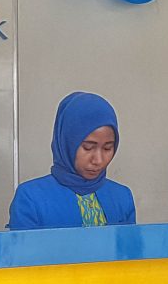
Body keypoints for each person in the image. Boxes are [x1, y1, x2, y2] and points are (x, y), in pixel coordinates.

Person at [9, 92, 136, 229]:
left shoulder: (122, 197)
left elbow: (129, 243)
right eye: (88, 147)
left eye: (107, 148)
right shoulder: (31, 198)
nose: (98, 160)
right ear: (67, 144)